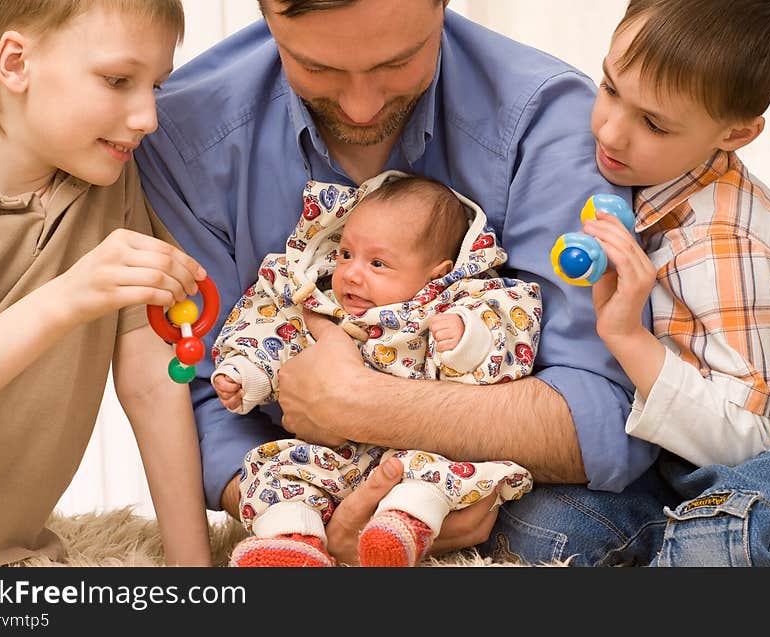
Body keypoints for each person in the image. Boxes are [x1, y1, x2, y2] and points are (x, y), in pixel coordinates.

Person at [135, 0, 654, 566]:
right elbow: (199, 388)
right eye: (318, 69)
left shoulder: (548, 118)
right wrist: (299, 515)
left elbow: (608, 416)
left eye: (397, 63)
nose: (361, 107)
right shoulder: (179, 132)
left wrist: (361, 404)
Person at [497, 0, 770, 567]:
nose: (610, 133)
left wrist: (628, 339)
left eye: (654, 123)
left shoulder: (724, 242)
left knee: (720, 546)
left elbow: (743, 440)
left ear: (737, 133)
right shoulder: (636, 172)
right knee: (537, 529)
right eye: (610, 88)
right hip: (674, 447)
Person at [0, 0, 212, 567]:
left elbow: (153, 383)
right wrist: (65, 299)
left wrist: (195, 579)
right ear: (14, 63)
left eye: (156, 85)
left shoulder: (111, 182)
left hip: (8, 559)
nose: (148, 118)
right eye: (117, 80)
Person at [212, 172, 539, 566]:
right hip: (335, 458)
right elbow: (272, 331)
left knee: (434, 475)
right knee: (274, 468)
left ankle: (402, 527)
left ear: (438, 272)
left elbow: (508, 336)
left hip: (416, 449)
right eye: (347, 254)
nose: (351, 272)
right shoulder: (320, 302)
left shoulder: (455, 305)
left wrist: (467, 339)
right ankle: (292, 542)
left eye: (378, 263)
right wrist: (246, 373)